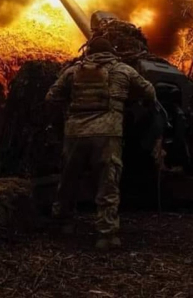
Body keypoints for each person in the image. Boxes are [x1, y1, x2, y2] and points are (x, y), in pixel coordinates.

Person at [45, 37, 159, 250]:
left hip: (75, 133)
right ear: (111, 52)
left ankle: (63, 223)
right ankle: (105, 236)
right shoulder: (123, 70)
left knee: (69, 179)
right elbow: (150, 92)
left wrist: (70, 107)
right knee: (108, 183)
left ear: (89, 52)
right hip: (107, 134)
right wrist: (125, 97)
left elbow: (51, 96)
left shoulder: (73, 71)